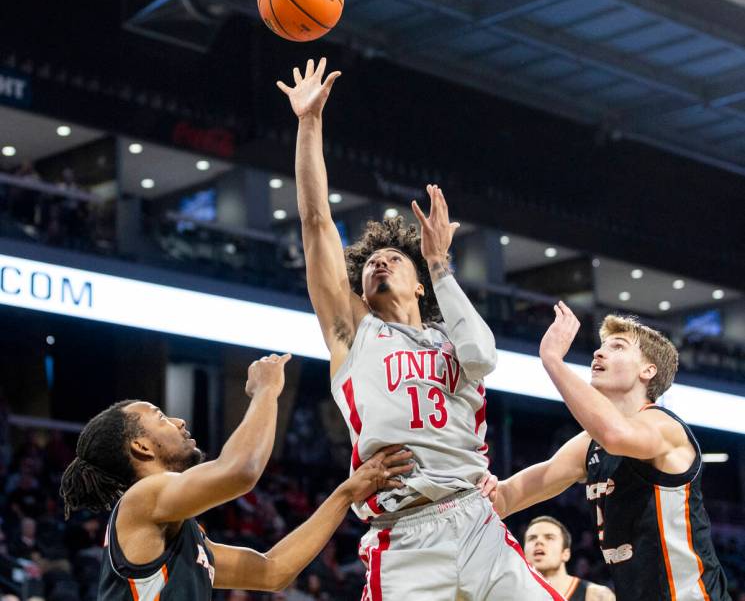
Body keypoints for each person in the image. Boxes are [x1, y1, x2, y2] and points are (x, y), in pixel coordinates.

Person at [277, 58, 561, 600]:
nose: (378, 265)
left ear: (420, 286)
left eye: (392, 260)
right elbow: (315, 225)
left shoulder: (453, 333)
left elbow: (484, 355)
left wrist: (440, 264)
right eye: (370, 264)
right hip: (403, 535)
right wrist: (308, 124)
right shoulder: (354, 335)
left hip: (477, 521)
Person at [60, 353, 412, 599]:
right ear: (141, 447)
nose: (180, 421)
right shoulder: (141, 498)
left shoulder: (183, 540)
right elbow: (241, 470)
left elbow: (273, 571)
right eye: (161, 417)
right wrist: (266, 391)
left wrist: (346, 494)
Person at [491, 303, 731, 601]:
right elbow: (506, 497)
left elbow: (616, 435)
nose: (598, 352)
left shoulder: (664, 425)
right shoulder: (589, 444)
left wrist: (553, 360)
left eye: (617, 347)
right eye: (602, 346)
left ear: (648, 370)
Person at [524, 516, 614, 600]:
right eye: (532, 538)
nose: (539, 542)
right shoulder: (513, 595)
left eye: (549, 537)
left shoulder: (597, 595)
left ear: (565, 554)